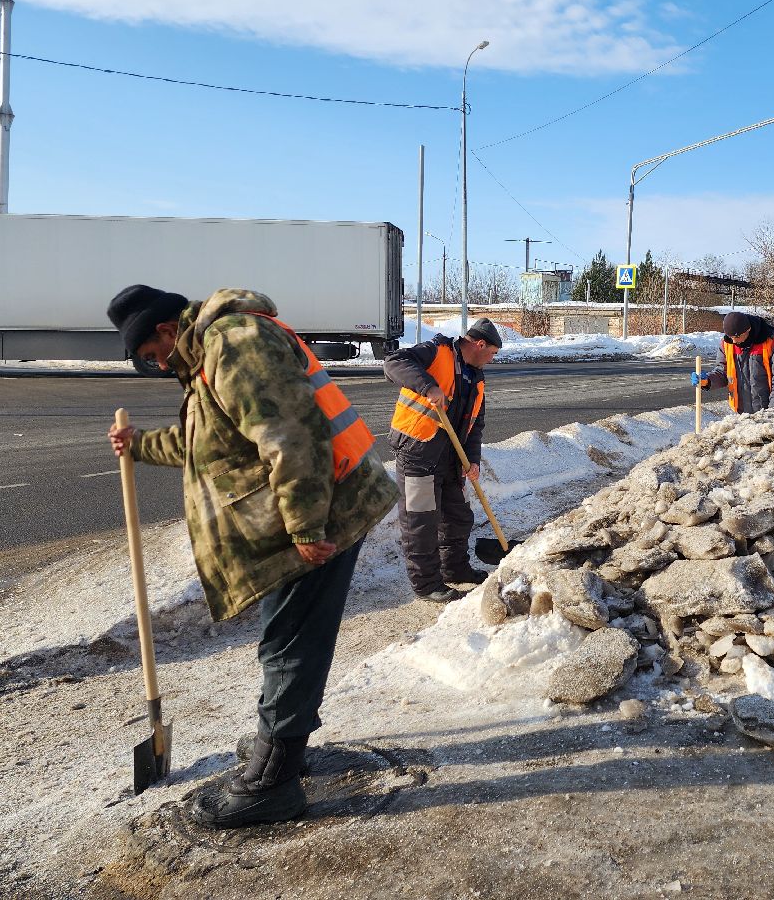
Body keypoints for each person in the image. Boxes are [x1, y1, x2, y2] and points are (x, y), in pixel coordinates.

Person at [105, 285, 398, 829]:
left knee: (291, 640)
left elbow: (291, 436)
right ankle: (279, 743)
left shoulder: (233, 344)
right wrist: (139, 444)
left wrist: (306, 526)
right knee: (284, 636)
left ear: (167, 331)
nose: (158, 365)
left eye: (152, 355)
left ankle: (274, 782)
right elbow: (209, 443)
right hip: (291, 521)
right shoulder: (207, 358)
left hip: (314, 517)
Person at [383, 318, 502, 603]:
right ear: (480, 344)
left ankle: (455, 568)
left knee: (458, 517)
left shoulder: (476, 377)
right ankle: (426, 585)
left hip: (452, 459)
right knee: (420, 521)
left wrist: (472, 460)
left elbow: (476, 423)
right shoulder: (438, 351)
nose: (492, 359)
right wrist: (427, 386)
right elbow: (393, 363)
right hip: (418, 452)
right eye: (493, 353)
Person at [692, 311, 774, 412]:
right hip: (742, 413)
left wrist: (772, 414)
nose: (734, 341)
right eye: (730, 337)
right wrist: (707, 380)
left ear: (748, 330)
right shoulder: (727, 344)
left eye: (737, 336)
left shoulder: (773, 343)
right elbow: (723, 372)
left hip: (770, 411)